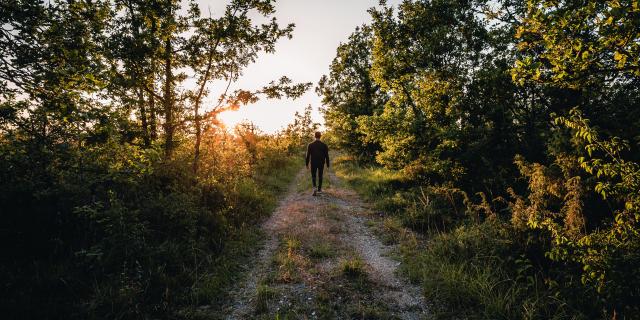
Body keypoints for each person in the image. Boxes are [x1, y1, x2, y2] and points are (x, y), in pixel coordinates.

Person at [305, 131, 330, 196]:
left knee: (313, 175)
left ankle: (314, 188)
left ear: (314, 136)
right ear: (320, 136)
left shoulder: (310, 145)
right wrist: (327, 164)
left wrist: (307, 164)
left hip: (313, 162)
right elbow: (327, 155)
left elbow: (308, 155)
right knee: (320, 175)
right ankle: (319, 189)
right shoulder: (324, 145)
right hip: (321, 162)